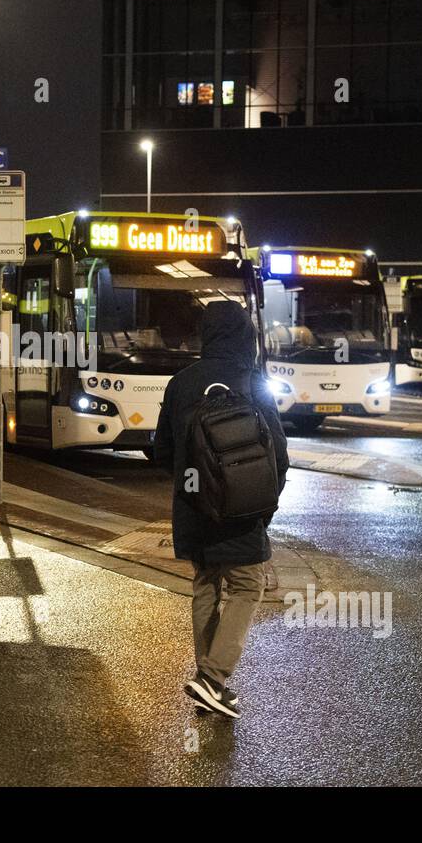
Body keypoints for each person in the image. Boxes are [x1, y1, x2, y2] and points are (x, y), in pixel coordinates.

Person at [153, 300, 289, 718]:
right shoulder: (253, 382)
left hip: (194, 509)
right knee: (249, 587)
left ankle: (207, 682)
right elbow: (278, 455)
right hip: (241, 510)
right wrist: (265, 506)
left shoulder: (181, 382)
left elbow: (161, 452)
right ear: (245, 336)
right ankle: (212, 680)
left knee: (206, 586)